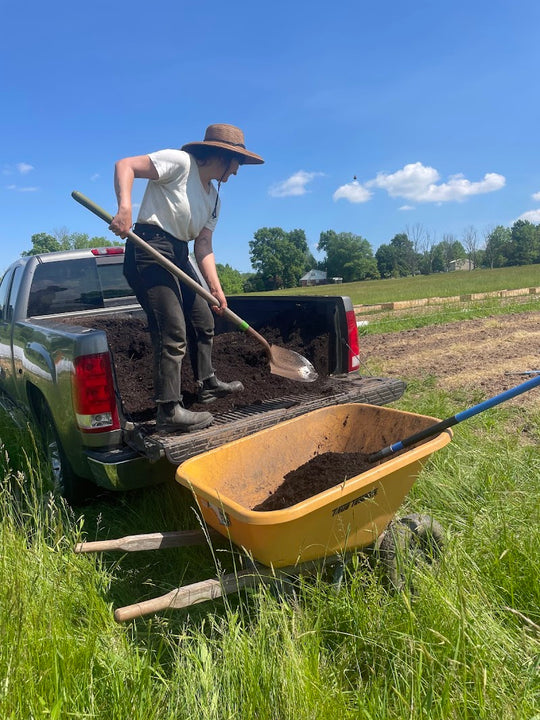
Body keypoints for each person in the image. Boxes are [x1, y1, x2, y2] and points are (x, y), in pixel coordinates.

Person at [109, 124, 264, 433]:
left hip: (179, 252)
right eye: (238, 163)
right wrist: (125, 208)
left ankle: (207, 384)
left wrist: (216, 290)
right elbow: (125, 165)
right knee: (173, 331)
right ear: (223, 156)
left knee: (204, 320)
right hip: (150, 246)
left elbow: (203, 245)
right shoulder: (180, 163)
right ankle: (168, 411)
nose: (237, 171)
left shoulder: (214, 200)